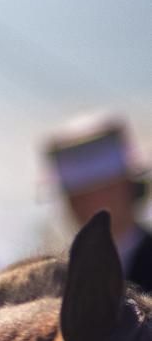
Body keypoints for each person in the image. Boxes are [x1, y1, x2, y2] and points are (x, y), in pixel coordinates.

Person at [43, 112, 152, 291]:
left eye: (98, 191)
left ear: (126, 186)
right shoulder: (61, 280)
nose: (83, 204)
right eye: (75, 195)